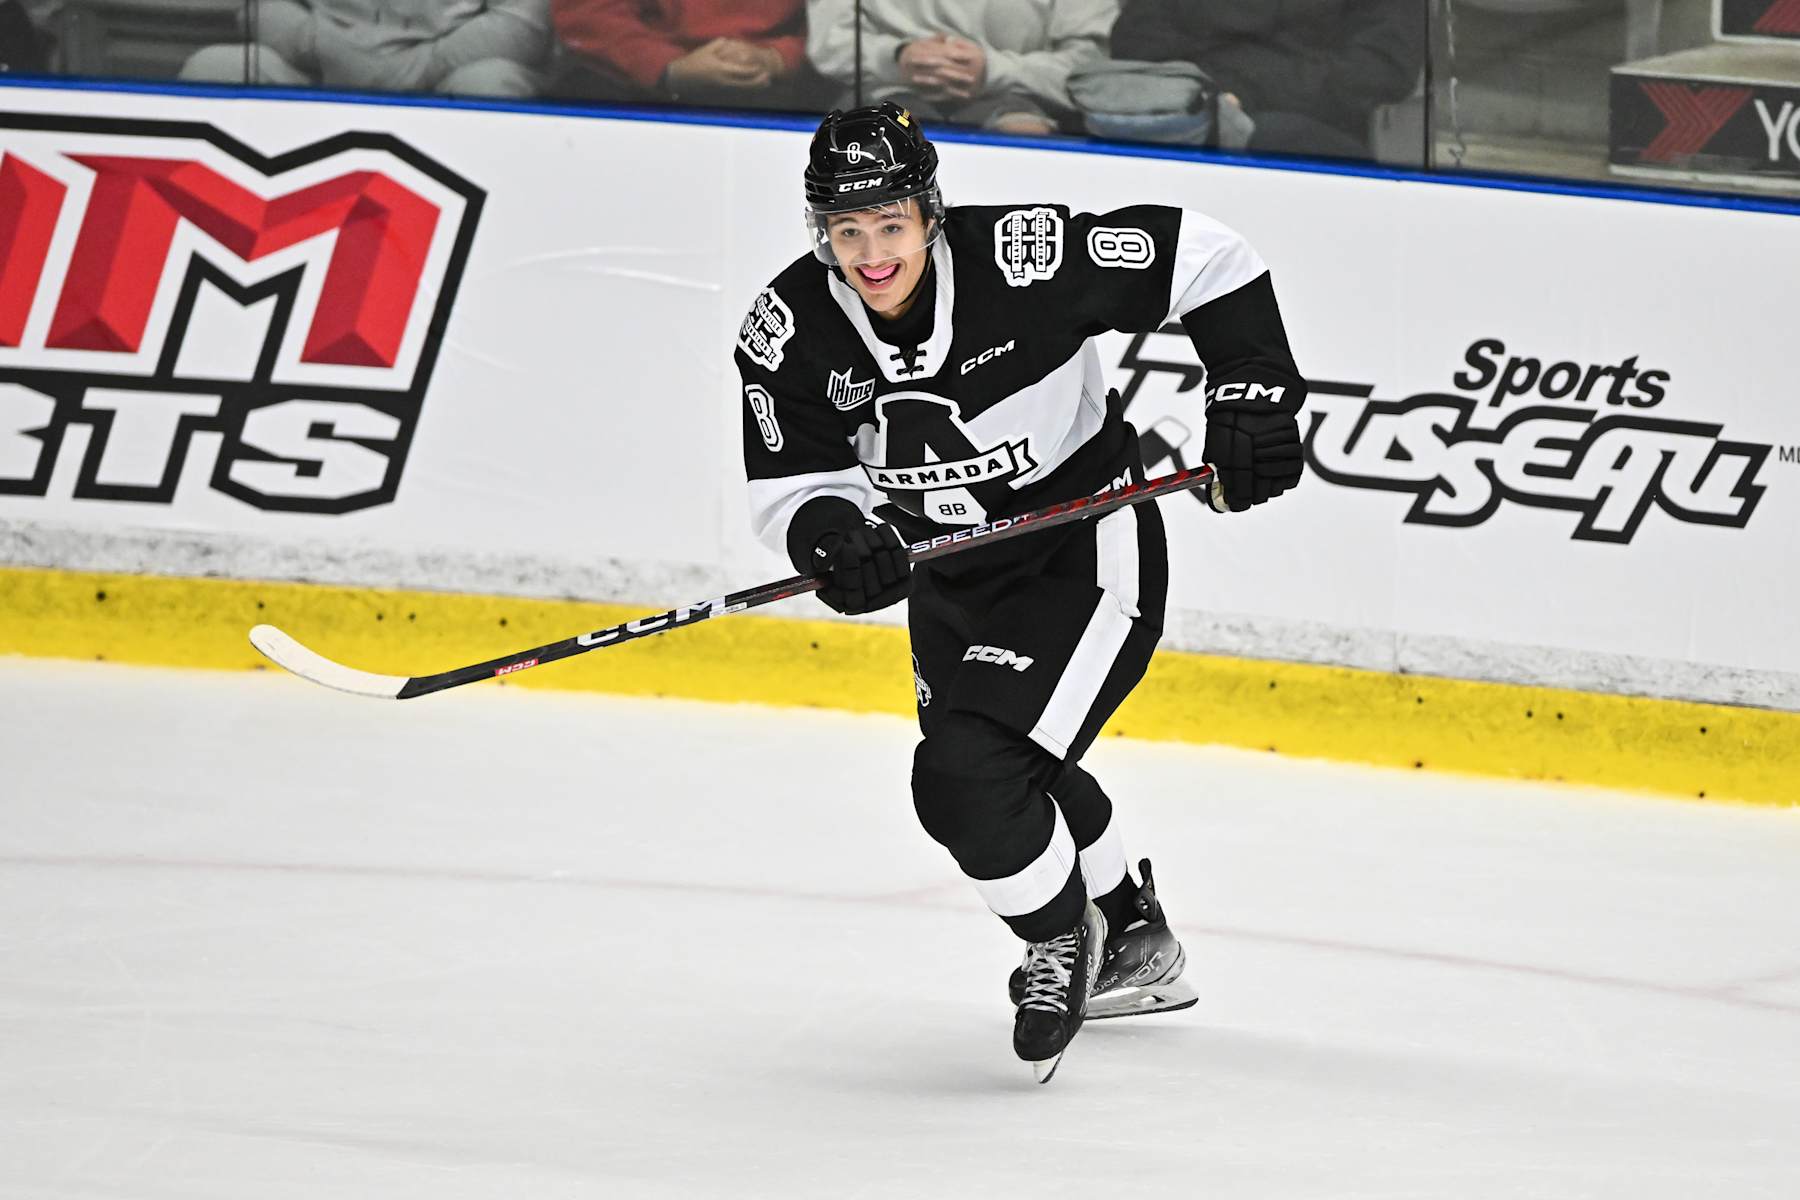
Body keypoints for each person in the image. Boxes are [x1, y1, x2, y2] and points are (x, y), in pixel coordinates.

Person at [734, 103, 1306, 1081]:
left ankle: (1057, 937)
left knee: (965, 776)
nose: (872, 253)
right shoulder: (787, 331)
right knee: (1006, 764)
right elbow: (792, 484)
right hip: (945, 577)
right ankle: (1136, 935)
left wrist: (1251, 394)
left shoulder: (1023, 258)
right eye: (847, 230)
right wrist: (837, 538)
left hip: (1082, 551)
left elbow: (1208, 258)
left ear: (930, 213)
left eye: (892, 224)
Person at [1110, 0, 1424, 159]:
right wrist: (1212, 92)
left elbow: (1382, 68)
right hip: (1183, 121)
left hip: (1311, 143)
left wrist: (1244, 88)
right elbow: (1136, 38)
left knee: (1280, 134)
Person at [806, 0, 1116, 135]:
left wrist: (994, 71)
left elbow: (1093, 71)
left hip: (1024, 100)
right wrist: (895, 57)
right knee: (870, 138)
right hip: (884, 92)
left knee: (1024, 133)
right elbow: (827, 44)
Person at [179, 0, 551, 98]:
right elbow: (259, 7)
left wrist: (417, 69)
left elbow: (525, 24)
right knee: (214, 69)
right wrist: (315, 44)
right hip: (318, 74)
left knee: (489, 85)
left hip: (442, 86)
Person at [553, 0, 821, 110]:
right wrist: (667, 67)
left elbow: (844, 27)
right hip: (633, 81)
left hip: (783, 83)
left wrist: (779, 58)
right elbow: (588, 12)